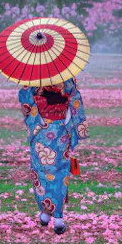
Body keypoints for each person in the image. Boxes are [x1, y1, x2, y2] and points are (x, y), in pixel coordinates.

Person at [18, 78, 88, 234]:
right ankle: (52, 215)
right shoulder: (66, 75)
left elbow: (26, 103)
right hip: (62, 130)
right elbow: (75, 100)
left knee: (41, 172)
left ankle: (52, 215)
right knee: (59, 173)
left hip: (41, 129)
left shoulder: (33, 77)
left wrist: (38, 96)